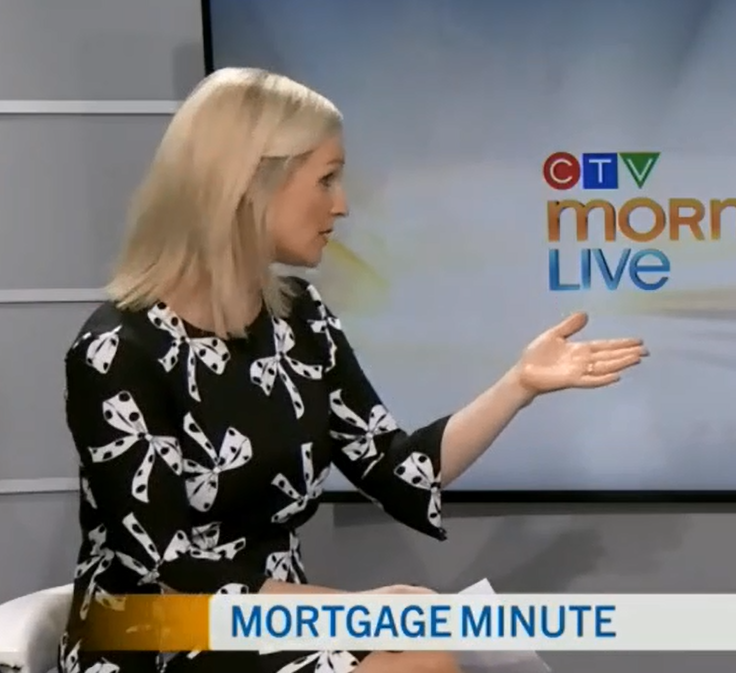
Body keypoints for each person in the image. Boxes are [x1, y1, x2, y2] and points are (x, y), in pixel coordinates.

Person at [60, 67, 646, 673]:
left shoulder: (301, 318)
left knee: (430, 651)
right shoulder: (117, 350)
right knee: (419, 663)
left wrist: (518, 384)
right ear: (251, 183)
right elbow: (169, 564)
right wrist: (354, 610)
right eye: (326, 179)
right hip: (155, 628)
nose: (341, 204)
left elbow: (395, 469)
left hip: (276, 620)